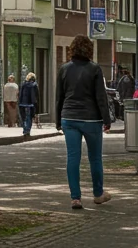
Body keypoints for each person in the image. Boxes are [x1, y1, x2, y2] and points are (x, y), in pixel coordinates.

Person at [55, 34, 112, 210]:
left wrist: (58, 120)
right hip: (91, 118)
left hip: (69, 118)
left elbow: (59, 97)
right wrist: (107, 119)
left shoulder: (64, 69)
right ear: (89, 50)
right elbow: (101, 97)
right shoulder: (94, 69)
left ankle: (75, 198)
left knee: (73, 158)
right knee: (95, 158)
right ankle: (98, 194)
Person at [18, 72, 40, 137]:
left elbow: (20, 94)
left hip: (22, 103)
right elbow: (37, 96)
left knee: (23, 117)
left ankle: (25, 130)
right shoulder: (34, 85)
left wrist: (19, 102)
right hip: (30, 104)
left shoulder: (23, 84)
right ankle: (27, 130)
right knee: (29, 117)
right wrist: (36, 105)